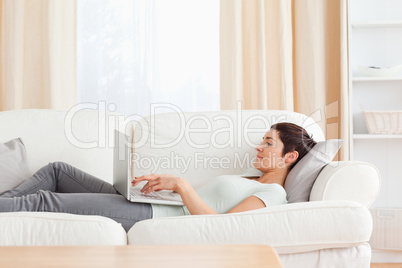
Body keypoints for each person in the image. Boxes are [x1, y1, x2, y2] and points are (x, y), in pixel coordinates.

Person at [0, 122, 316, 232]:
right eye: (262, 140)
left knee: (46, 201)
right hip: (154, 203)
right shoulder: (252, 178)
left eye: (268, 142)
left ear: (290, 157)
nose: (259, 147)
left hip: (151, 215)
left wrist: (181, 184)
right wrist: (161, 188)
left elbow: (224, 226)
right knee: (59, 171)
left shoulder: (275, 194)